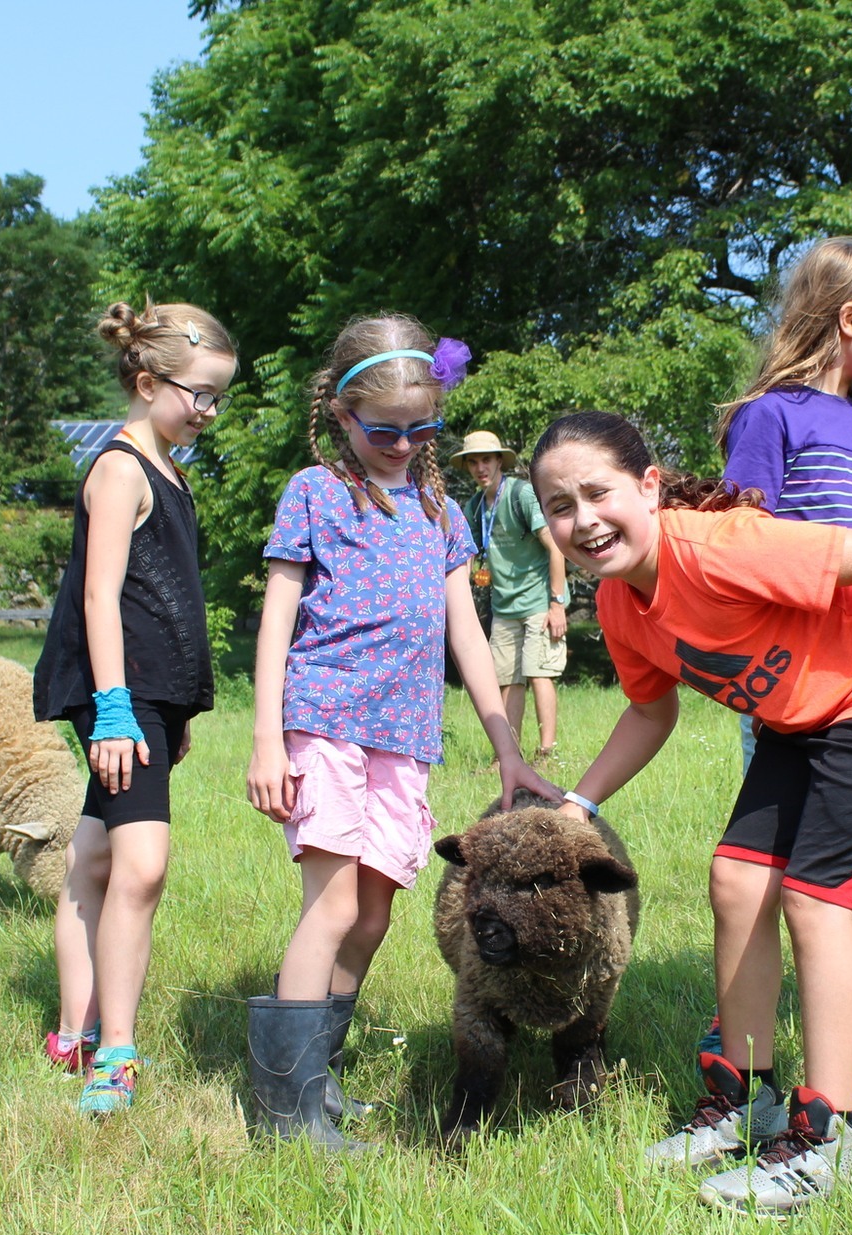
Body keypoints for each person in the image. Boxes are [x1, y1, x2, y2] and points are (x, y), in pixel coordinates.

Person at [530, 410, 852, 1217]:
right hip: (801, 722)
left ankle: (831, 1137)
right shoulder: (622, 605)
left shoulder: (716, 546)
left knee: (818, 901)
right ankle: (744, 1100)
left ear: (649, 487)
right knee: (737, 882)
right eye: (558, 506)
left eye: (597, 493)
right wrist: (581, 802)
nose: (581, 520)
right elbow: (652, 715)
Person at [244, 317, 558, 1150]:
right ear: (343, 416)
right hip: (323, 721)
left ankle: (319, 1067)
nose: (404, 444)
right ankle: (287, 1111)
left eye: (422, 429)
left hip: (403, 735)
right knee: (334, 902)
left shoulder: (440, 508)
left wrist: (507, 745)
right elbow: (276, 622)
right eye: (384, 431)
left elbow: (467, 631)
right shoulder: (314, 492)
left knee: (375, 910)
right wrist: (267, 739)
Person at [691, 235, 852, 1102]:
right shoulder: (770, 416)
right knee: (755, 875)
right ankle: (742, 1050)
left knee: (830, 889)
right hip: (797, 689)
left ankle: (835, 1065)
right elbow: (744, 542)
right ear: (849, 318)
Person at [32, 299, 237, 1116]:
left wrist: (175, 711)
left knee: (94, 861)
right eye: (198, 393)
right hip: (117, 694)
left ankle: (69, 1031)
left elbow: (171, 595)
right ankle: (114, 1053)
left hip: (150, 696)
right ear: (148, 380)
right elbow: (99, 591)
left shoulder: (169, 469)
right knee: (143, 867)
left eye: (219, 396)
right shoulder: (118, 467)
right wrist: (117, 709)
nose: (208, 410)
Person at [455, 429, 569, 763]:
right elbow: (468, 557)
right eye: (473, 462)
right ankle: (508, 756)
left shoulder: (521, 494)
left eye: (486, 460)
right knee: (507, 680)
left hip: (538, 602)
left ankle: (546, 751)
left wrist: (556, 604)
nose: (480, 468)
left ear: (498, 461)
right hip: (503, 606)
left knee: (539, 673)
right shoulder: (474, 507)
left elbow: (556, 549)